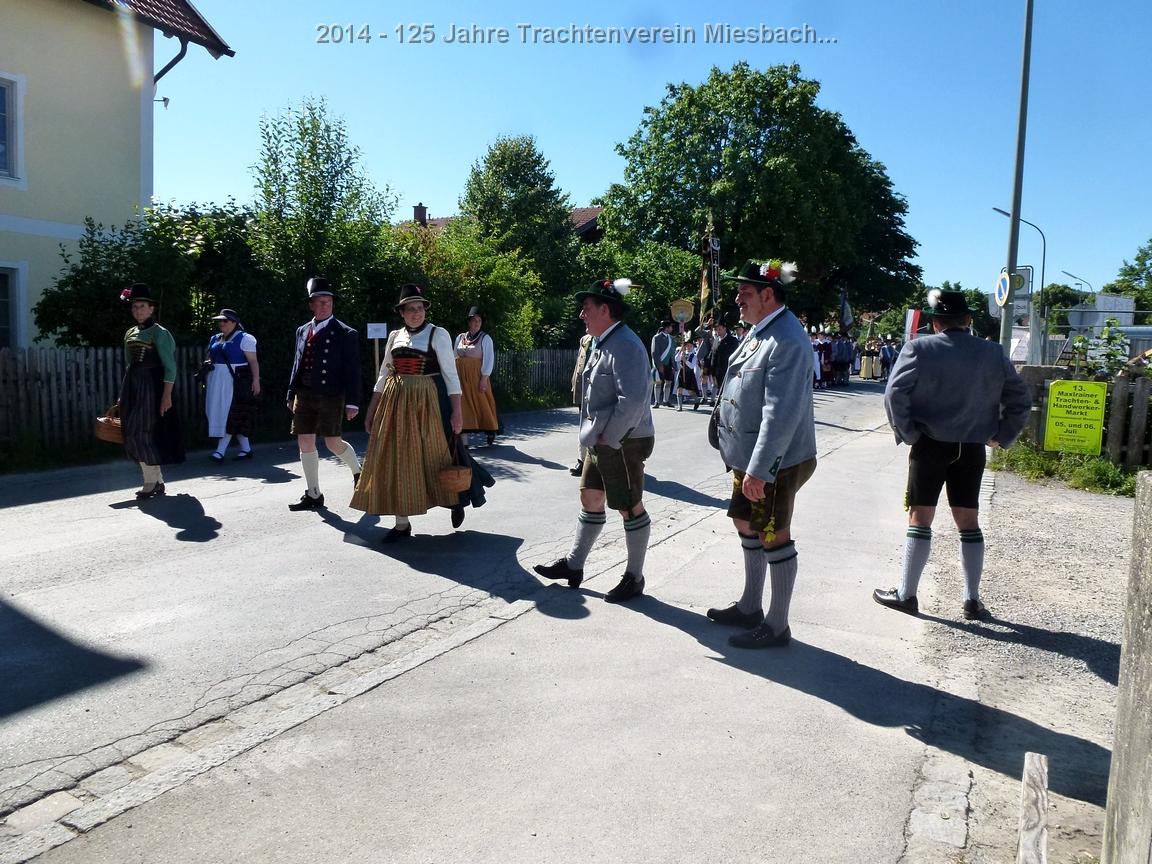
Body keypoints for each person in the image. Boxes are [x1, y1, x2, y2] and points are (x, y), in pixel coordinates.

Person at [873, 289, 1031, 620]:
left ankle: (907, 594)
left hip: (930, 444)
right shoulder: (993, 352)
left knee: (920, 517)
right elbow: (1020, 399)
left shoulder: (918, 348)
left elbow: (894, 395)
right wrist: (1002, 435)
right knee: (968, 521)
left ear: (935, 322)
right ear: (968, 320)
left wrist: (908, 432)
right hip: (972, 447)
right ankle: (972, 599)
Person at [705, 260, 817, 649]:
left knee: (773, 533)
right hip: (751, 457)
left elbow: (780, 413)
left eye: (745, 293)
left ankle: (777, 625)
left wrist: (761, 470)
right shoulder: (763, 330)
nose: (738, 299)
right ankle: (751, 606)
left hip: (776, 460)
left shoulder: (787, 339)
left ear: (768, 295)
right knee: (746, 523)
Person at [534, 278, 655, 603]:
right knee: (590, 497)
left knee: (629, 506)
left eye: (586, 308)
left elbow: (633, 401)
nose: (581, 315)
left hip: (624, 440)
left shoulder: (626, 345)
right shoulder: (602, 341)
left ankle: (634, 577)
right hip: (602, 439)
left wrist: (609, 438)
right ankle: (574, 566)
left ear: (605, 309)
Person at [352, 284, 494, 541]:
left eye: (420, 308)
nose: (416, 313)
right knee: (395, 458)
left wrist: (457, 412)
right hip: (396, 403)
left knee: (439, 454)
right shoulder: (395, 336)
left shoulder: (437, 334)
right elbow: (384, 373)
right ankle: (401, 524)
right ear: (402, 312)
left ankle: (456, 498)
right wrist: (372, 409)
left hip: (428, 402)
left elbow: (451, 375)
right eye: (411, 309)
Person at [285, 277, 362, 511]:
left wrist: (353, 402)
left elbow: (353, 370)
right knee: (304, 440)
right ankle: (314, 493)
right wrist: (290, 393)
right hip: (304, 394)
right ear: (311, 305)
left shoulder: (345, 333)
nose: (325, 305)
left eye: (328, 301)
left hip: (331, 394)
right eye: (320, 302)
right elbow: (297, 364)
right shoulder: (302, 331)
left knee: (332, 443)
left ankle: (358, 472)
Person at [117, 283, 185, 498]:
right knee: (132, 431)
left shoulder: (160, 333)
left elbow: (170, 367)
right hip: (133, 385)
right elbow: (129, 364)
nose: (138, 310)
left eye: (142, 306)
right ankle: (157, 481)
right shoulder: (130, 333)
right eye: (134, 306)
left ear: (151, 308)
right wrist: (123, 394)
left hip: (152, 386)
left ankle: (150, 482)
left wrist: (166, 396)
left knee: (141, 432)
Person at [204, 308, 261, 461]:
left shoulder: (245, 338)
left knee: (230, 414)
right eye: (220, 321)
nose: (221, 323)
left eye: (225, 320)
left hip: (236, 381)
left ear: (234, 322)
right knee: (222, 412)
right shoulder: (215, 338)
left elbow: (253, 361)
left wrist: (256, 380)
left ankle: (220, 451)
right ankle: (246, 449)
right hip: (216, 380)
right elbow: (211, 357)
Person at [455, 306, 500, 446]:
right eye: (474, 320)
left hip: (476, 377)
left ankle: (490, 429)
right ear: (469, 322)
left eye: (479, 321)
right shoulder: (460, 337)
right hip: (461, 378)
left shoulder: (485, 339)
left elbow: (489, 359)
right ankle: (464, 440)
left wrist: (484, 378)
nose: (476, 323)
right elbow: (454, 356)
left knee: (482, 404)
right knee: (462, 405)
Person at [569, 332, 594, 476]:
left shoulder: (606, 338)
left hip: (598, 390)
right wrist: (575, 384)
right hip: (583, 389)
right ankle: (583, 460)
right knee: (583, 426)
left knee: (597, 427)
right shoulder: (585, 339)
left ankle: (596, 463)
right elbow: (579, 364)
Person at [650, 320, 676, 407]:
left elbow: (672, 353)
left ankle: (666, 400)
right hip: (659, 364)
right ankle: (657, 401)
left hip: (668, 364)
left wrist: (674, 366)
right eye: (671, 327)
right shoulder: (656, 337)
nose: (672, 328)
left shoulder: (671, 338)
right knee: (658, 382)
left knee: (668, 382)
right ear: (667, 328)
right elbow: (654, 352)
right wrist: (659, 365)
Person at [711, 312, 739, 384]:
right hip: (718, 374)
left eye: (719, 329)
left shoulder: (732, 340)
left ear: (724, 328)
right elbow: (713, 357)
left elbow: (736, 356)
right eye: (716, 329)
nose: (718, 331)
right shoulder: (716, 341)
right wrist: (713, 374)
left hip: (730, 372)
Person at [674, 337, 701, 411]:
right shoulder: (682, 353)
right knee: (679, 389)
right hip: (681, 373)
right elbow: (676, 359)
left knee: (691, 391)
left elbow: (692, 366)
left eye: (690, 346)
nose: (688, 347)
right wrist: (681, 350)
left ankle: (697, 400)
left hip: (689, 374)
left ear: (692, 347)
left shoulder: (694, 356)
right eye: (687, 346)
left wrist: (685, 360)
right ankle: (680, 406)